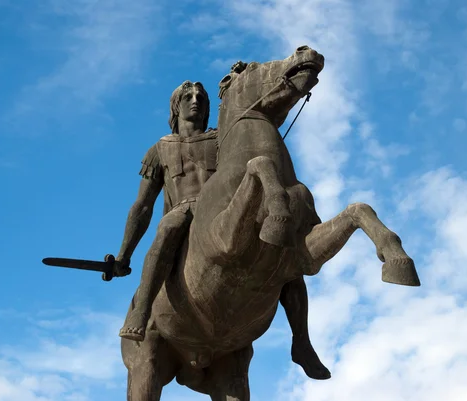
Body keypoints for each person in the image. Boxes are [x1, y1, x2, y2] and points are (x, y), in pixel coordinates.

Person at [114, 80, 330, 379]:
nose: (195, 101)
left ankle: (302, 341)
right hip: (185, 213)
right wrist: (124, 255)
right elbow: (142, 206)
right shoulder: (159, 150)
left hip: (224, 212)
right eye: (187, 97)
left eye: (201, 97)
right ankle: (141, 312)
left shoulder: (222, 140)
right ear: (175, 106)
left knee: (281, 255)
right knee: (168, 227)